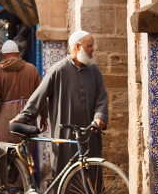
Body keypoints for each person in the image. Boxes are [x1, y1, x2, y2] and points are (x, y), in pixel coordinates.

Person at [12, 30, 108, 181]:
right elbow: (39, 96)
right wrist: (22, 117)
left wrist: (100, 118)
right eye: (89, 46)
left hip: (89, 132)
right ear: (77, 46)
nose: (93, 49)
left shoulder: (94, 70)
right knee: (65, 174)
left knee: (94, 172)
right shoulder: (58, 70)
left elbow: (102, 97)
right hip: (65, 133)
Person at [0, 40, 45, 143]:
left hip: (5, 118)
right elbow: (41, 95)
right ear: (18, 54)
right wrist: (44, 116)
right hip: (27, 117)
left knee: (6, 153)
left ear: (4, 55)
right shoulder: (32, 69)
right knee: (27, 153)